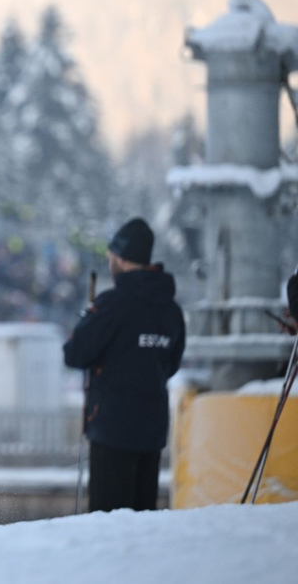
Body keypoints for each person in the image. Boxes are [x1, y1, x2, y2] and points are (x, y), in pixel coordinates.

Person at [64, 218, 186, 512]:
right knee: (141, 521)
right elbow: (171, 364)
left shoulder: (112, 305)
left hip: (112, 430)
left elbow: (75, 354)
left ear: (120, 258)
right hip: (151, 431)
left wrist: (87, 323)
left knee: (109, 523)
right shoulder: (170, 309)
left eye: (110, 258)